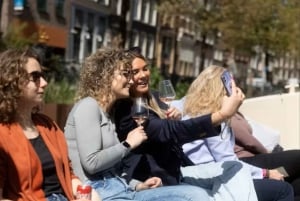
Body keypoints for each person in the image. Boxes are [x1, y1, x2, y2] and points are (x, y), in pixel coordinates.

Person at [64, 47, 217, 201]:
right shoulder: (88, 106)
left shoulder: (109, 113)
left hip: (122, 187)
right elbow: (91, 163)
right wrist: (127, 144)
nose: (131, 81)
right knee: (195, 196)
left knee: (197, 194)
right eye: (126, 74)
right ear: (107, 76)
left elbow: (115, 171)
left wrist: (138, 185)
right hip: (98, 191)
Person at [114, 49, 258, 201]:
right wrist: (222, 115)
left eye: (145, 68)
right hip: (156, 179)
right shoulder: (127, 112)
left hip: (179, 170)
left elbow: (172, 131)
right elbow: (169, 131)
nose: (143, 75)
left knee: (236, 168)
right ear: (126, 77)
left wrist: (175, 118)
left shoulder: (155, 96)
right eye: (135, 72)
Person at [181, 65, 294, 201]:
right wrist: (266, 173)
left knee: (292, 182)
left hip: (216, 171)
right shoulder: (213, 118)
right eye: (232, 86)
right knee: (284, 187)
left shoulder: (192, 110)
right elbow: (230, 158)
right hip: (217, 176)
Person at [0, 48, 101, 201]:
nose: (45, 83)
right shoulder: (2, 135)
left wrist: (87, 195)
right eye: (35, 77)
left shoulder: (48, 125)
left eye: (43, 76)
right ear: (12, 81)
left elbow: (68, 174)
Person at [231, 111, 300, 199]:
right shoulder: (225, 116)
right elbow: (250, 143)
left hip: (255, 158)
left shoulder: (235, 113)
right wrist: (268, 154)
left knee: (295, 179)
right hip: (245, 160)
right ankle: (279, 174)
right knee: (297, 159)